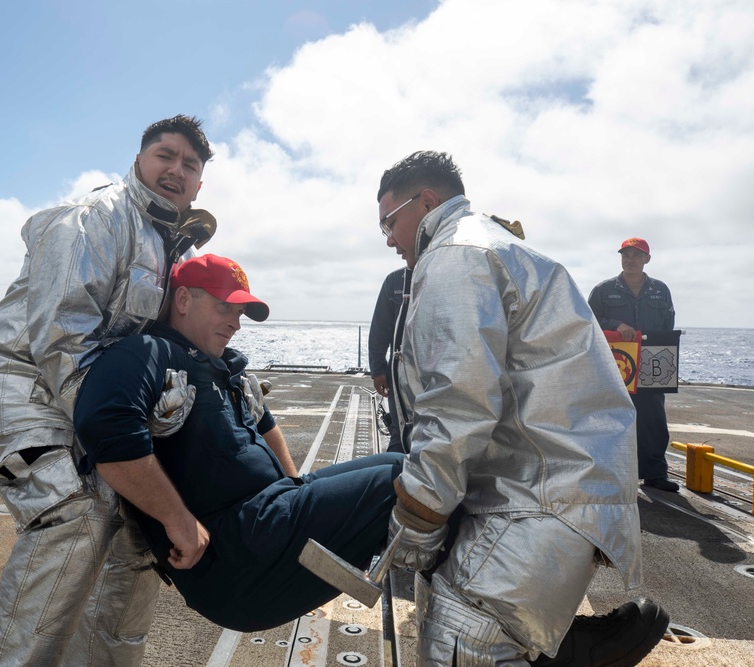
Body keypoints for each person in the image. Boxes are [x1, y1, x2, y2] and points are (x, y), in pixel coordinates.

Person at [375, 151, 668, 666]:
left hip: (538, 496)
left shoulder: (456, 253)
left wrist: (418, 515)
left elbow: (457, 398)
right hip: (555, 485)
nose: (389, 238)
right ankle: (572, 652)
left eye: (389, 221)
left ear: (426, 202)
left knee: (463, 641)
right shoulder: (491, 244)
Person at [0, 115, 217, 666]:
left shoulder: (168, 243)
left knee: (138, 532)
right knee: (74, 513)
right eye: (164, 156)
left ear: (200, 183)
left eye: (189, 165)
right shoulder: (96, 217)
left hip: (89, 394)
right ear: (138, 161)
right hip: (24, 380)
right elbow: (63, 339)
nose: (175, 170)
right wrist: (120, 441)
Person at [72, 254, 404, 631]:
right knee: (408, 477)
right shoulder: (149, 352)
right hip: (236, 550)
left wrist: (294, 489)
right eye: (225, 307)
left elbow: (265, 424)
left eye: (241, 313)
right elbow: (102, 424)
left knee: (402, 460)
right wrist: (176, 519)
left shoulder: (225, 368)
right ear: (182, 301)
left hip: (270, 517)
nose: (236, 323)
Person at [588, 238, 678, 493]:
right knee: (613, 416)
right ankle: (609, 471)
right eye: (625, 255)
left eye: (636, 255)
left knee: (653, 419)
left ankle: (655, 474)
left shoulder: (660, 290)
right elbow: (588, 320)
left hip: (651, 363)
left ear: (647, 259)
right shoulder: (604, 290)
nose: (630, 259)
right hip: (615, 363)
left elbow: (667, 325)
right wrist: (616, 324)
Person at [368, 267, 410, 453]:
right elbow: (380, 329)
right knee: (399, 432)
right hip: (399, 379)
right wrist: (378, 371)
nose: (391, 242)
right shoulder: (394, 281)